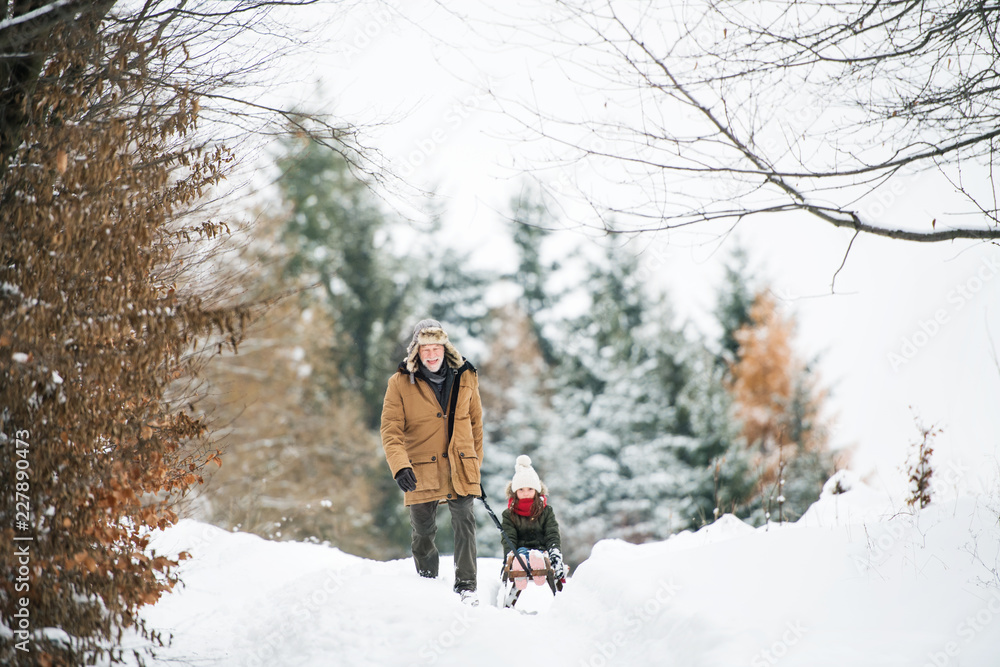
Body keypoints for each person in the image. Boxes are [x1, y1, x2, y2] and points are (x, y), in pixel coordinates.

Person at [380, 318, 484, 605]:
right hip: (419, 467)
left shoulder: (466, 376)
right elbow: (391, 430)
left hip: (459, 465)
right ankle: (426, 583)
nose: (432, 354)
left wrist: (475, 462)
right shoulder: (399, 383)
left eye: (436, 347)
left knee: (464, 520)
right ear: (416, 351)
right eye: (425, 349)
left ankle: (467, 586)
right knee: (423, 531)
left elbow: (476, 423)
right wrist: (400, 466)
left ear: (444, 347)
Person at [500, 455, 567, 586]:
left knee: (540, 556)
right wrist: (508, 557)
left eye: (530, 489)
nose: (526, 493)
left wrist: (555, 553)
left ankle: (537, 562)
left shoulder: (546, 511)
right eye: (521, 489)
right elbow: (509, 537)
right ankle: (521, 568)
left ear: (537, 491)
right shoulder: (509, 514)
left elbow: (552, 533)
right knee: (522, 554)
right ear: (515, 492)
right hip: (520, 551)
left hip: (542, 550)